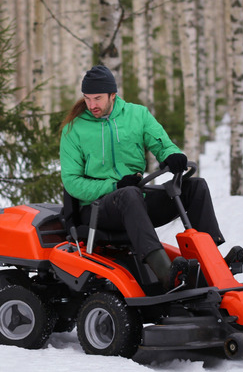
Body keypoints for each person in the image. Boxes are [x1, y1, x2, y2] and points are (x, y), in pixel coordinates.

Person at [59, 65, 225, 291]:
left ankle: (213, 262)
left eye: (97, 98)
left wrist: (172, 155)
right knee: (129, 194)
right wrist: (114, 186)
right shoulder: (74, 129)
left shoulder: (137, 115)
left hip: (136, 202)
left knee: (195, 186)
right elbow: (72, 183)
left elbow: (162, 144)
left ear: (112, 95)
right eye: (87, 99)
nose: (92, 105)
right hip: (99, 209)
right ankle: (167, 276)